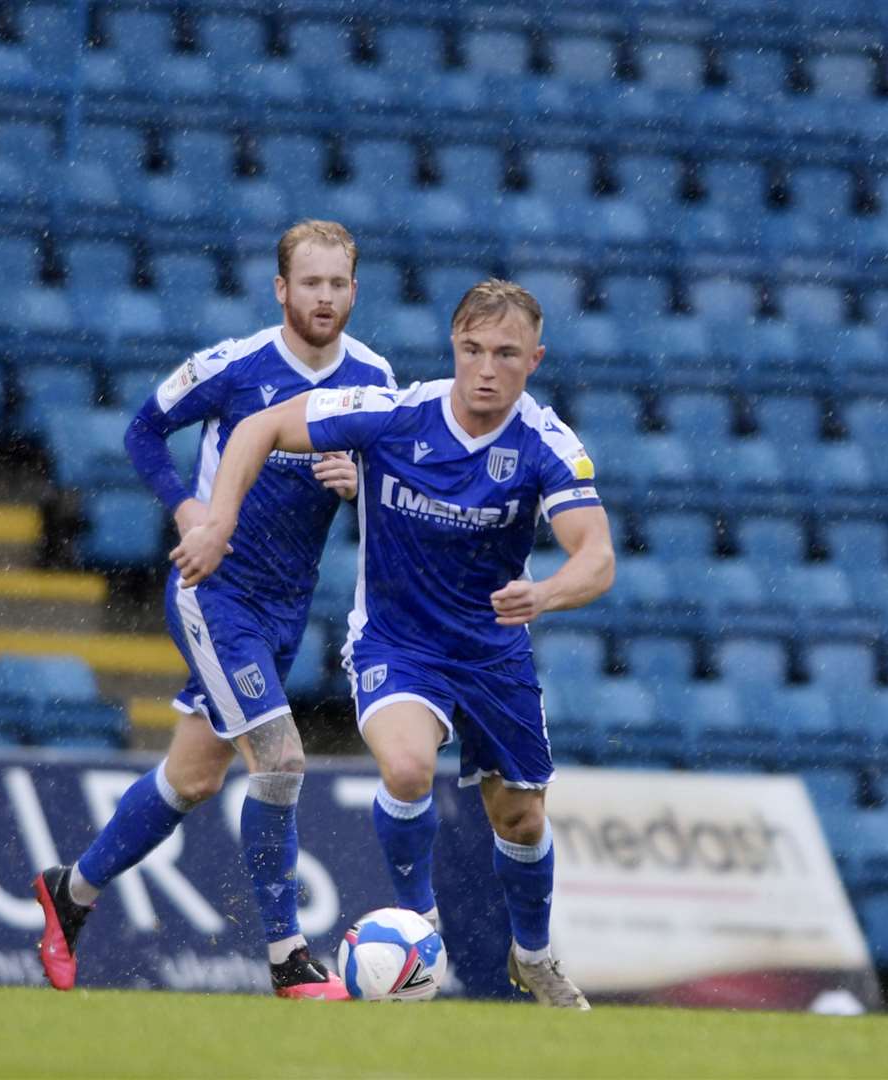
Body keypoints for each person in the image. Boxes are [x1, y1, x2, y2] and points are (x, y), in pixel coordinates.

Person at [172, 279, 614, 1009]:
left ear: (535, 359)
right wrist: (219, 520)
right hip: (397, 644)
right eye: (472, 349)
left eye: (506, 354)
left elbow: (596, 555)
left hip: (493, 652)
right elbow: (259, 428)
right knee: (408, 768)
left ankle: (532, 957)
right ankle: (421, 923)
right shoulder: (392, 412)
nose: (486, 368)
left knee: (521, 818)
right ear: (453, 346)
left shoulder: (544, 443)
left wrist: (546, 592)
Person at [33, 220, 396, 999]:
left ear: (354, 291)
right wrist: (186, 508)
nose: (324, 297)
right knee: (283, 760)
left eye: (338, 284)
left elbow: (391, 483)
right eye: (310, 283)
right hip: (215, 592)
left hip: (285, 611)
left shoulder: (374, 376)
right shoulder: (235, 368)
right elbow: (142, 431)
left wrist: (358, 482)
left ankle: (73, 892)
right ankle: (288, 957)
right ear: (281, 289)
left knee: (193, 775)